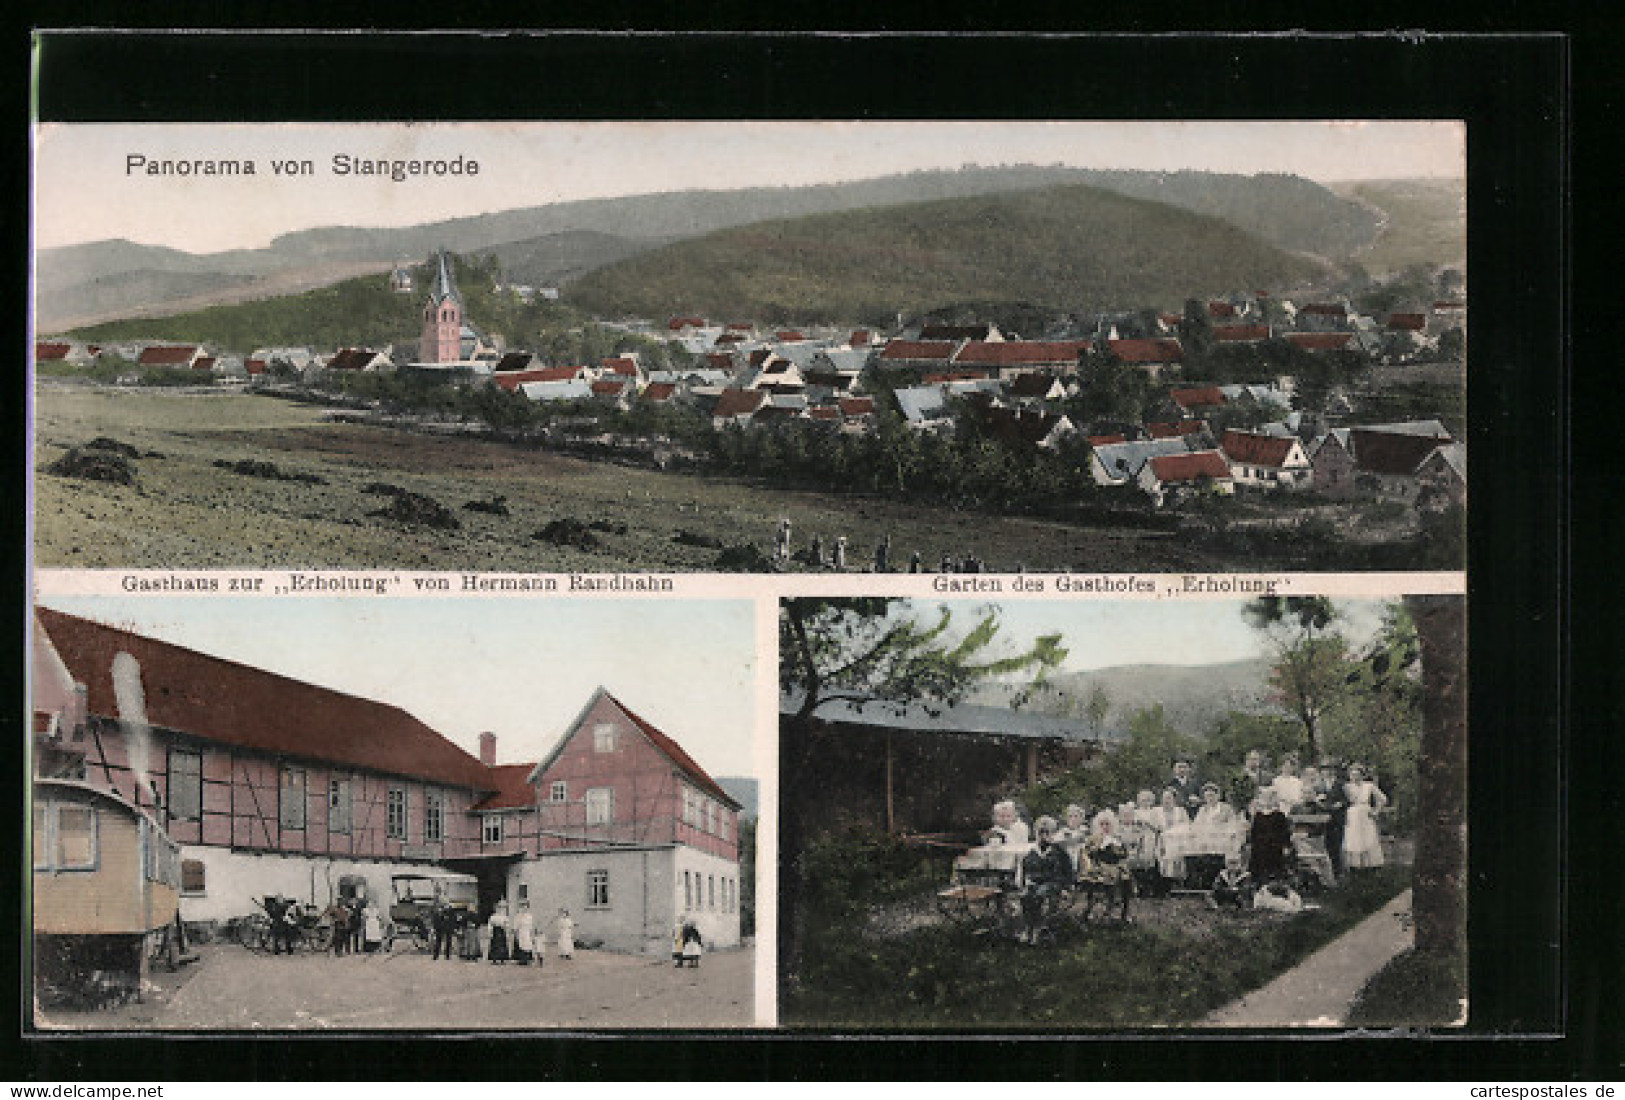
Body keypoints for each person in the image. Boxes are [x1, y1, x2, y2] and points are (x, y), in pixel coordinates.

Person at [1019, 816, 1074, 944]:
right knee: (1026, 895)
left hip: (1053, 882)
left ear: (1053, 834)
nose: (1043, 836)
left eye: (1047, 833)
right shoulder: (1031, 852)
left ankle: (1038, 927)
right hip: (1036, 882)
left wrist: (1067, 886)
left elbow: (1068, 871)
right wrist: (1027, 881)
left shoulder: (1059, 852)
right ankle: (1028, 926)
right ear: (1036, 834)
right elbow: (1026, 869)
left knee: (1039, 894)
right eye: (1040, 833)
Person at [1341, 763, 1389, 869]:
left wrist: (1376, 811)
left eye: (1357, 775)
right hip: (1353, 813)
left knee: (1368, 838)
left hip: (1365, 813)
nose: (1354, 777)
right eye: (1352, 775)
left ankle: (1369, 865)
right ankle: (1354, 865)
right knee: (1354, 839)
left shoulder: (1369, 786)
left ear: (1362, 775)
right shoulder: (1346, 787)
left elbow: (1383, 799)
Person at [1246, 787, 1294, 883]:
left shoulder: (1280, 815)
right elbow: (1254, 832)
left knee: (1275, 867)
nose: (1267, 801)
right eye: (1265, 798)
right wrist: (1252, 844)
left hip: (1275, 845)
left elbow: (1285, 832)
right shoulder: (1258, 815)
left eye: (1270, 798)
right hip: (1260, 846)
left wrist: (1286, 846)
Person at [512, 902, 536, 966]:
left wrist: (532, 934)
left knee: (528, 944)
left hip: (527, 932)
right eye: (523, 907)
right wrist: (516, 933)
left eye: (526, 907)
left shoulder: (529, 916)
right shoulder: (518, 916)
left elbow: (531, 926)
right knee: (521, 944)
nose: (524, 909)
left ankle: (528, 959)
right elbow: (516, 926)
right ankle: (522, 959)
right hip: (521, 932)